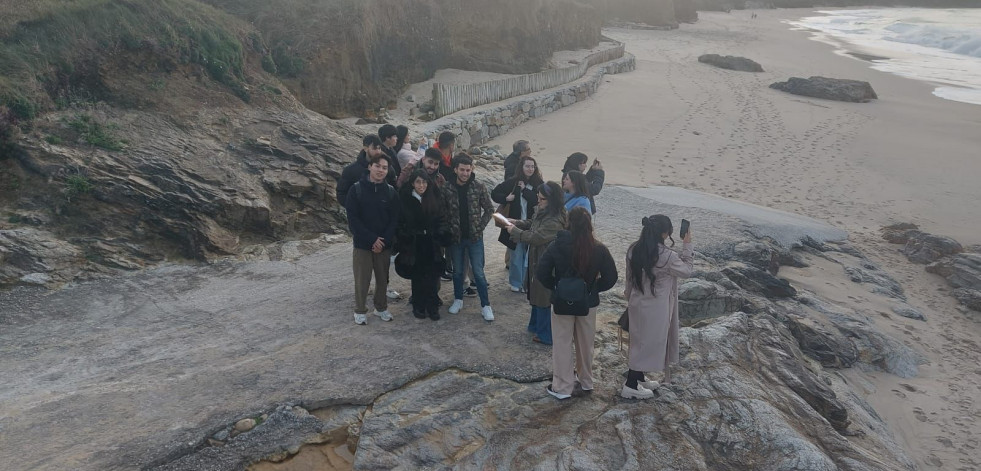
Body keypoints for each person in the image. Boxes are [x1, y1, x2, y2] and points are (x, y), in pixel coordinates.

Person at [536, 207, 618, 399]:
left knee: (562, 344)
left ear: (568, 223)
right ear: (589, 225)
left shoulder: (556, 246)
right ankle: (586, 381)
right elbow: (611, 277)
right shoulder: (599, 248)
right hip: (587, 303)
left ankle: (563, 387)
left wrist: (556, 288)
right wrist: (593, 289)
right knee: (585, 343)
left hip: (562, 303)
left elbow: (541, 273)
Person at [622, 214, 694, 399]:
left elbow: (629, 278)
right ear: (665, 233)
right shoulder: (667, 256)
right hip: (656, 307)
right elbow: (686, 271)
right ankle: (630, 385)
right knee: (648, 342)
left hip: (637, 302)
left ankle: (638, 377)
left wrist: (628, 297)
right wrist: (687, 246)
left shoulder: (633, 249)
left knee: (638, 340)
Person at [506, 181, 566, 345]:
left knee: (543, 297)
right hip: (536, 260)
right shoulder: (544, 212)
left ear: (551, 200)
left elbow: (535, 237)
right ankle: (535, 326)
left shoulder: (555, 220)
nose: (538, 202)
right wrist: (517, 222)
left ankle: (545, 335)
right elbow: (533, 224)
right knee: (535, 293)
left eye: (542, 199)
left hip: (546, 264)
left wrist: (515, 231)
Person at [345, 154, 401, 325]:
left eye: (384, 168)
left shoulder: (390, 192)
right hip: (363, 244)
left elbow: (394, 220)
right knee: (362, 279)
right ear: (370, 166)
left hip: (383, 245)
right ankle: (360, 310)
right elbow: (353, 220)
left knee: (382, 279)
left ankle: (381, 308)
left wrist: (383, 240)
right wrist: (371, 240)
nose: (381, 170)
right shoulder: (356, 190)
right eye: (378, 166)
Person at [441, 153, 496, 321]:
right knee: (458, 272)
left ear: (472, 169)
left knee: (478, 273)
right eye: (462, 170)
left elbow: (489, 209)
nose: (465, 173)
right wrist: (449, 229)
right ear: (456, 169)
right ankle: (458, 299)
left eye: (468, 169)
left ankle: (486, 305)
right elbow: (443, 212)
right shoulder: (447, 188)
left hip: (474, 238)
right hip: (456, 239)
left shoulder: (479, 186)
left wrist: (480, 228)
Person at [396, 169, 447, 321]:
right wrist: (406, 237)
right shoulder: (405, 199)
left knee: (432, 276)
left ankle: (432, 306)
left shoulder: (434, 197)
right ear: (412, 183)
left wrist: (440, 234)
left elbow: (442, 218)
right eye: (418, 181)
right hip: (414, 243)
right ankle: (418, 305)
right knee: (417, 276)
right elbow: (400, 222)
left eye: (424, 182)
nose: (421, 185)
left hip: (431, 243)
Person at [492, 155, 543, 292]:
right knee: (516, 254)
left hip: (532, 224)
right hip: (514, 224)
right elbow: (494, 193)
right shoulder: (513, 182)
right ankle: (516, 282)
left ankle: (527, 283)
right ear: (521, 167)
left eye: (532, 166)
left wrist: (525, 190)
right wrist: (506, 198)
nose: (530, 169)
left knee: (530, 256)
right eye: (527, 166)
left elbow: (538, 201)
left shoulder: (538, 183)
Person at [337, 134, 396, 204]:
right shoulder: (351, 170)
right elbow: (342, 193)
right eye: (374, 148)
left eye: (379, 148)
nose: (378, 151)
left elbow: (394, 189)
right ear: (365, 148)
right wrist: (354, 207)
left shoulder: (388, 168)